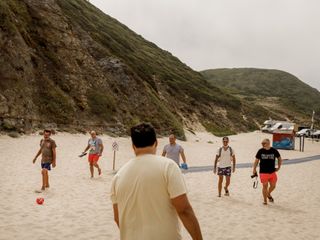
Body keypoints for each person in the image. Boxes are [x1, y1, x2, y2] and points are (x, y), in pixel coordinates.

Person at [110, 123, 202, 240]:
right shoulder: (168, 167)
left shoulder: (118, 177)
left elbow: (117, 219)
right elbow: (184, 210)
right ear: (156, 143)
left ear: (133, 146)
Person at [253, 138, 282, 205]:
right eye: (262, 143)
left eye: (264, 143)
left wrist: (279, 167)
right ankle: (265, 200)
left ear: (268, 143)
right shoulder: (260, 151)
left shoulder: (274, 150)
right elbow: (256, 161)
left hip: (272, 172)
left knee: (273, 186)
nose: (262, 144)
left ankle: (268, 194)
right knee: (265, 186)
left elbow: (279, 158)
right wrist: (254, 169)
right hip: (263, 172)